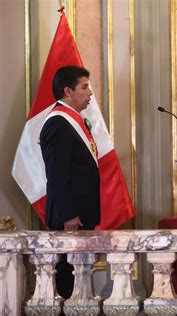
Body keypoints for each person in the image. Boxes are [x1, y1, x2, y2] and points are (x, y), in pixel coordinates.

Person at [39, 65, 100, 297]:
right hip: (70, 218)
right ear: (68, 91)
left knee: (80, 279)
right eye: (84, 87)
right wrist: (68, 215)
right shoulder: (58, 123)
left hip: (80, 214)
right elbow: (57, 174)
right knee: (68, 280)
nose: (90, 93)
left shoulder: (73, 120)